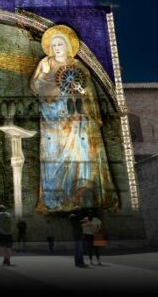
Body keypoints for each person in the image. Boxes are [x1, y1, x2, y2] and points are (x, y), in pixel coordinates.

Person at [30, 25, 119, 213]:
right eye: (53, 45)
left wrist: (81, 90)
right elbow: (37, 87)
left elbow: (88, 90)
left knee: (82, 156)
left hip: (78, 120)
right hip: (54, 120)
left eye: (60, 43)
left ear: (68, 45)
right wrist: (50, 77)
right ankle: (57, 198)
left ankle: (84, 195)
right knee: (55, 158)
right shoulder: (45, 63)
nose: (57, 48)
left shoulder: (78, 65)